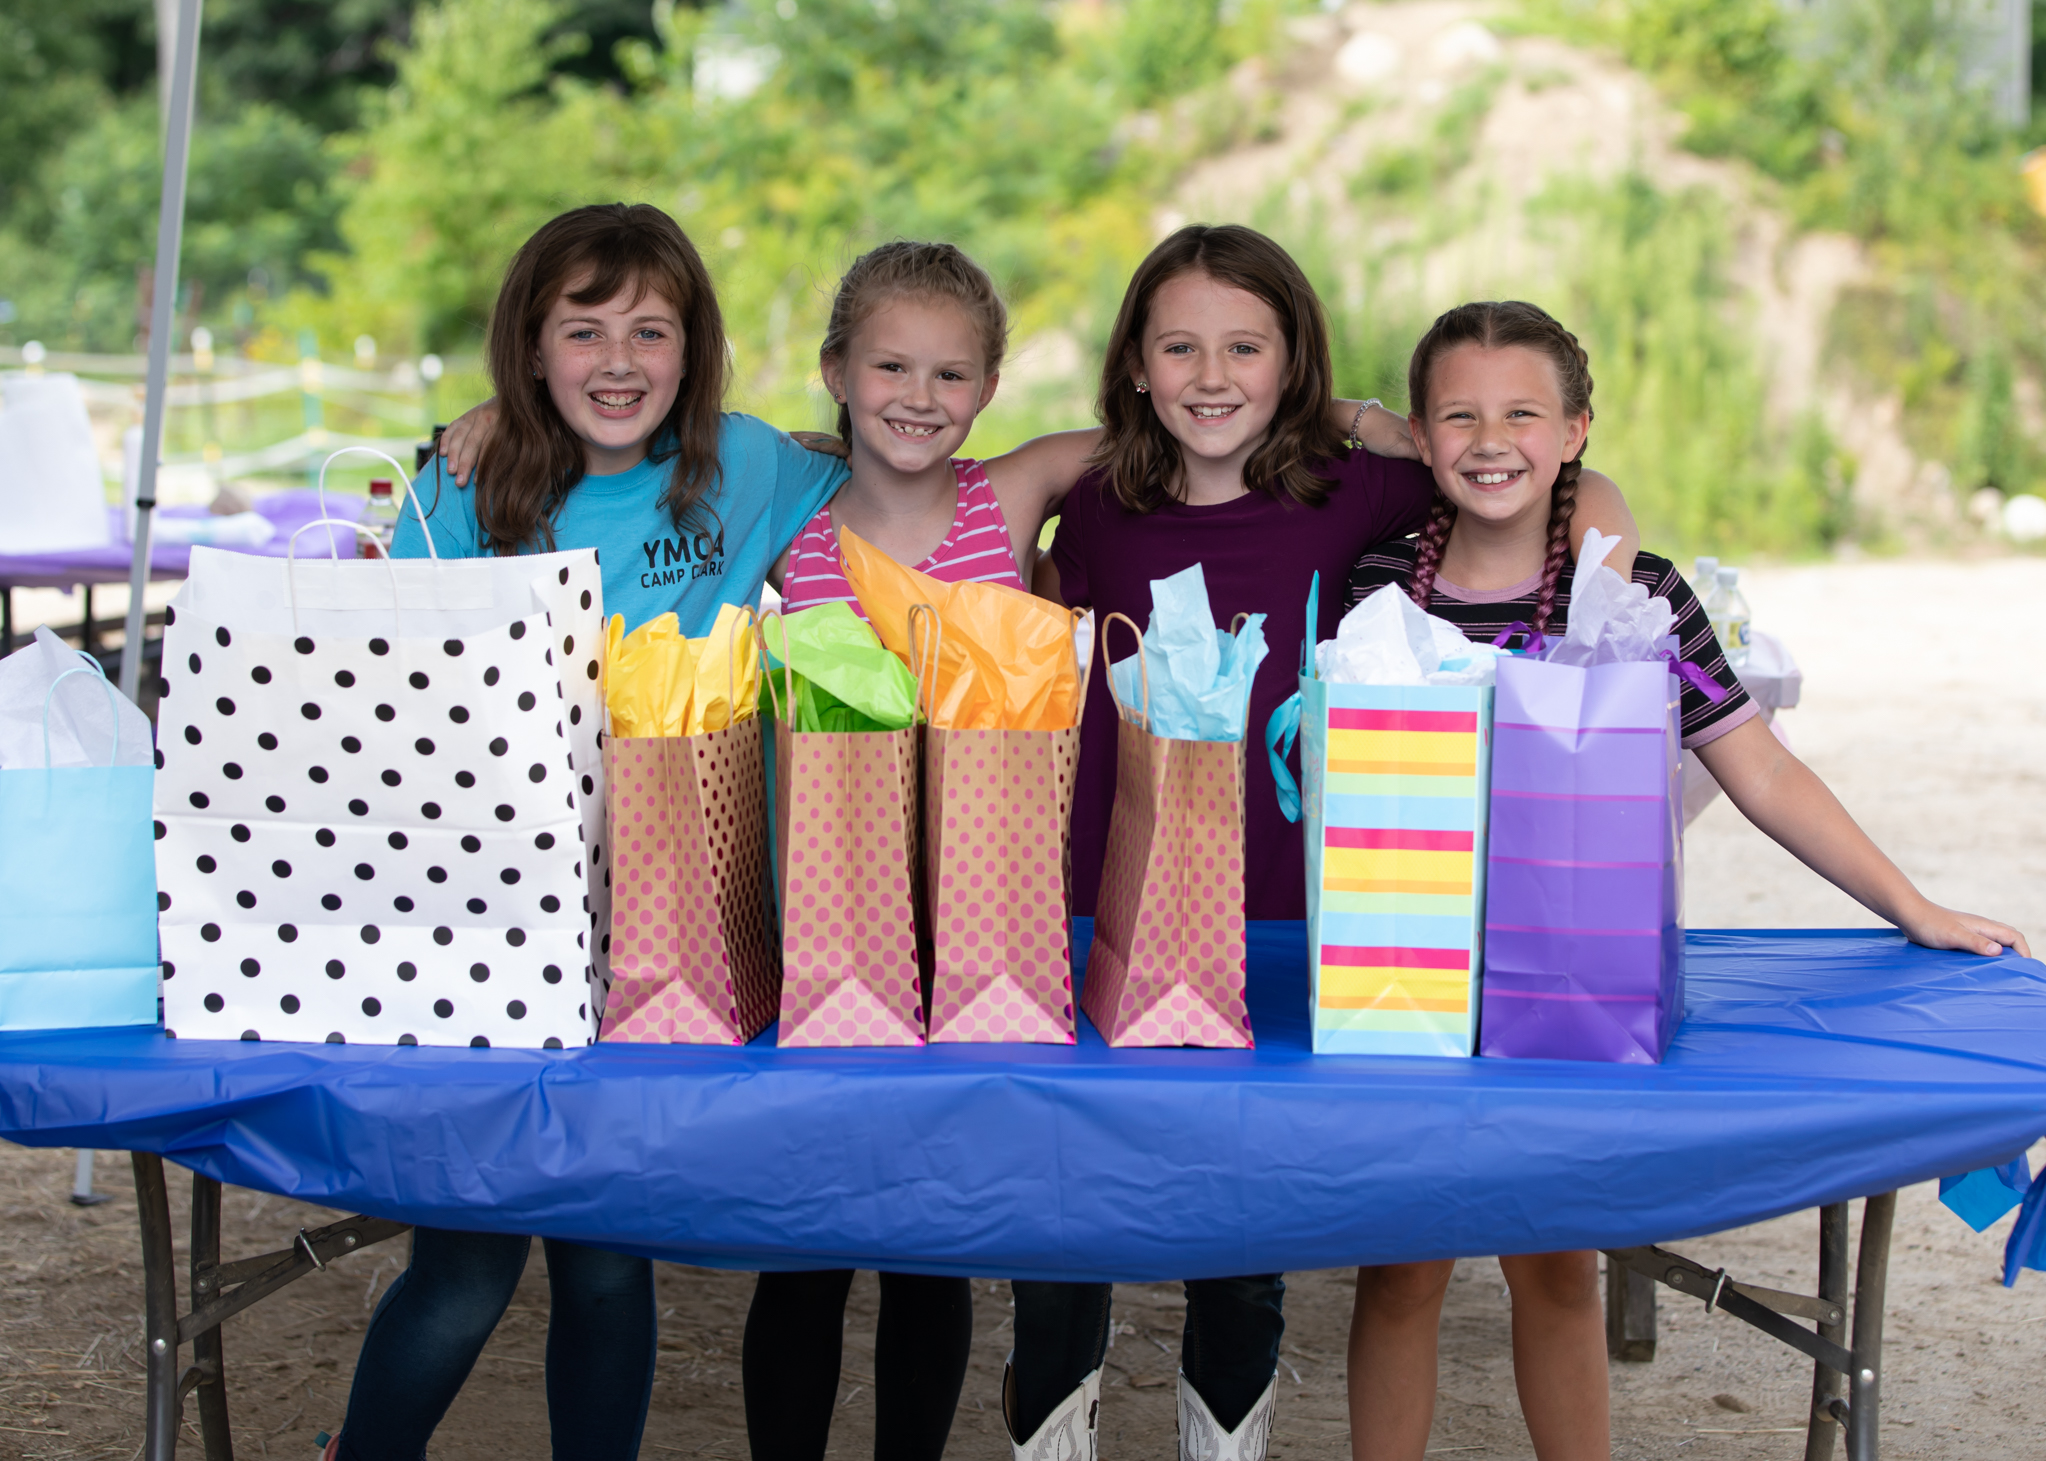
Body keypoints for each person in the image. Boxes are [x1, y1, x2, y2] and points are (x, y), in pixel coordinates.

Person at [1341, 298, 2030, 1461]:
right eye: (1459, 415)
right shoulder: (1380, 585)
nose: (1490, 440)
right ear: (1420, 434)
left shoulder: (1641, 601)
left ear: (1576, 431)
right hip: (1408, 982)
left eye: (1522, 414)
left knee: (1557, 1264)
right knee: (1401, 1271)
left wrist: (1914, 906)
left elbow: (1760, 767)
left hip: (1568, 987)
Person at [1028, 229, 1643, 1460]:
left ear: (1294, 359)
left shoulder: (1356, 492)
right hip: (1107, 903)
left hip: (1301, 917)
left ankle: (1226, 1440)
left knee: (1243, 1219)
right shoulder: (1093, 504)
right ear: (1136, 363)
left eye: (1245, 348)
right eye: (1180, 347)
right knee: (1073, 1199)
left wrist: (1370, 424)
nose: (1213, 375)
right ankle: (1053, 1429)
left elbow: (1554, 485)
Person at [326, 201, 849, 1461]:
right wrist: (478, 425)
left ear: (694, 346)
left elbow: (896, 461)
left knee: (610, 1264)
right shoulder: (462, 489)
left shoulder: (744, 466)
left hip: (666, 935)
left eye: (650, 331)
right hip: (490, 924)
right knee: (466, 1264)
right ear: (530, 344)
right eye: (583, 331)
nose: (619, 361)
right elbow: (395, 699)